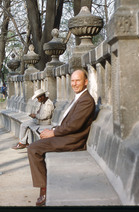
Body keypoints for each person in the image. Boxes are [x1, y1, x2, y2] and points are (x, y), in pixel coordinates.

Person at [27, 69, 95, 206]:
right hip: (66, 136)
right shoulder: (79, 97)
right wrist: (53, 130)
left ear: (86, 82)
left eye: (78, 80)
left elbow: (74, 126)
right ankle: (44, 185)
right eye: (73, 81)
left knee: (33, 148)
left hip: (73, 140)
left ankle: (44, 190)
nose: (74, 84)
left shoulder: (86, 100)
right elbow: (69, 123)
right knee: (39, 141)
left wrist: (53, 133)